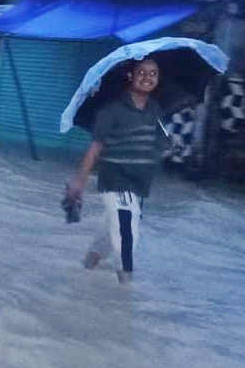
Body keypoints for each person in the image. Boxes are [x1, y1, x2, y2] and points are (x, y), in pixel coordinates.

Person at [65, 58, 169, 284]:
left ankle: (84, 273)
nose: (147, 78)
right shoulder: (112, 110)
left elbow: (156, 142)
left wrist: (166, 147)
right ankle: (125, 291)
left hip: (139, 183)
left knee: (108, 232)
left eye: (153, 74)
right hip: (115, 179)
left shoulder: (155, 109)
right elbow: (96, 147)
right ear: (131, 76)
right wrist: (79, 181)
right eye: (142, 72)